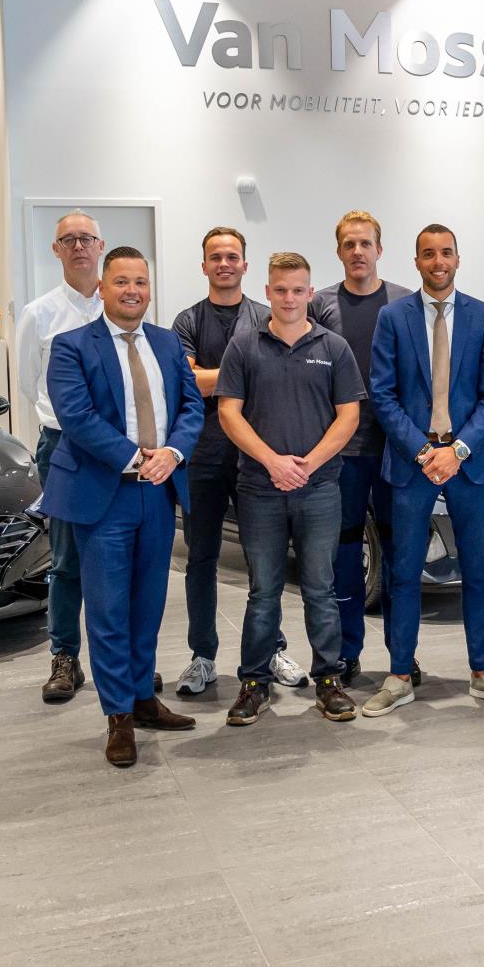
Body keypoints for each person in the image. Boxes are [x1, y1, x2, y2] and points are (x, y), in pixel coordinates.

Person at [41, 247, 205, 767]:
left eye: (140, 282)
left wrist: (172, 453)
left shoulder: (166, 343)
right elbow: (77, 416)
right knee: (109, 609)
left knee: (148, 605)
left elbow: (191, 406)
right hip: (103, 494)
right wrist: (136, 457)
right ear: (102, 288)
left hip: (158, 490)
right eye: (121, 282)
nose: (132, 291)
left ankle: (141, 698)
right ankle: (118, 716)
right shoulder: (71, 346)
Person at [361, 225, 484, 715]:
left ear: (458, 258)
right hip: (411, 464)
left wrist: (459, 450)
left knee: (476, 571)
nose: (438, 262)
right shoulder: (393, 317)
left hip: (467, 464)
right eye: (428, 254)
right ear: (416, 261)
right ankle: (399, 675)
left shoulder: (481, 316)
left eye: (446, 253)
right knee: (404, 574)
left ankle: (483, 672)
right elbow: (382, 394)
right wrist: (422, 451)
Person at [170, 227, 329, 698]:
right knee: (202, 558)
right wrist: (246, 370)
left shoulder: (264, 315)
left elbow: (219, 380)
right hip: (203, 455)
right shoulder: (187, 321)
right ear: (204, 265)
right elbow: (188, 383)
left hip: (259, 459)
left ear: (245, 265)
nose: (224, 263)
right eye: (215, 256)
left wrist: (217, 376)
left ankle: (271, 650)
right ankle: (202, 656)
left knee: (266, 563)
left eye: (232, 256)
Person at [216, 252, 364, 727]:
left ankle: (329, 681)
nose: (289, 298)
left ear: (310, 293)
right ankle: (254, 684)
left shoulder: (334, 347)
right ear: (267, 291)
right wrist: (273, 462)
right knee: (263, 591)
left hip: (318, 489)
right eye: (280, 290)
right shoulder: (243, 346)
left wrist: (307, 465)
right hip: (259, 489)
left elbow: (349, 415)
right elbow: (228, 412)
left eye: (298, 290)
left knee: (321, 588)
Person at [313, 211, 411, 685]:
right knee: (346, 558)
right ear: (339, 251)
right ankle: (346, 652)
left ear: (379, 249)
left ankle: (402, 655)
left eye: (365, 243)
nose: (357, 251)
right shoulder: (319, 304)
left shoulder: (404, 301)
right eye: (349, 244)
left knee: (398, 556)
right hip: (343, 453)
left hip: (396, 450)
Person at [14, 209, 106, 705]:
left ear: (100, 245)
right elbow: (29, 384)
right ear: (55, 250)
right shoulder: (39, 314)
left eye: (86, 238)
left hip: (118, 451)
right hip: (64, 448)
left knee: (116, 557)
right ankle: (65, 657)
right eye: (68, 240)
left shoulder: (119, 306)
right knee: (66, 560)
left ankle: (124, 656)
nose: (78, 246)